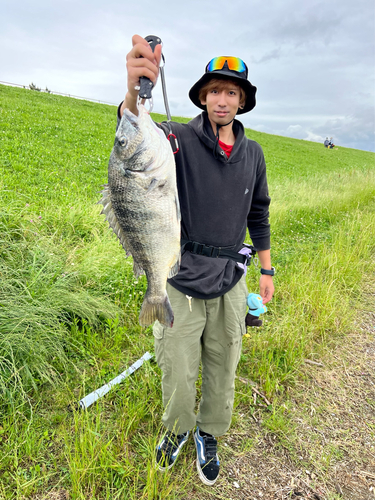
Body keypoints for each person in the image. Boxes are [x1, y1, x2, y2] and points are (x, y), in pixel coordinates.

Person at [120, 35, 274, 486]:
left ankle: (209, 433)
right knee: (178, 369)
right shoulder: (177, 138)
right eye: (213, 91)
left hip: (231, 282)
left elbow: (259, 212)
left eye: (231, 92)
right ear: (202, 97)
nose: (221, 99)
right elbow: (132, 136)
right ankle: (177, 431)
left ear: (241, 100)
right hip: (179, 281)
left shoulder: (254, 154)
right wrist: (136, 87)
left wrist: (265, 270)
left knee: (223, 366)